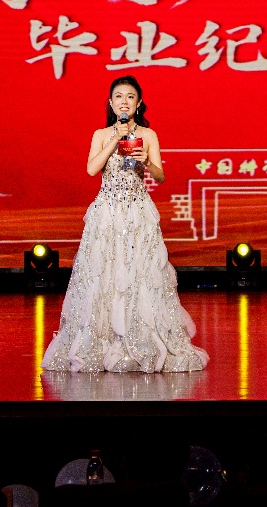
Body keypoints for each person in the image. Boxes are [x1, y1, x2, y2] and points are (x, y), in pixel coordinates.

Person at [42, 75, 208, 373]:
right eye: (118, 96)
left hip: (137, 213)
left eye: (130, 97)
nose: (124, 101)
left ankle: (142, 338)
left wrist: (146, 161)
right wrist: (114, 140)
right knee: (104, 275)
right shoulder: (101, 134)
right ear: (110, 103)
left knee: (140, 274)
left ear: (138, 103)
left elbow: (160, 176)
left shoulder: (148, 134)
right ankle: (101, 339)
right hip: (107, 214)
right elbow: (92, 169)